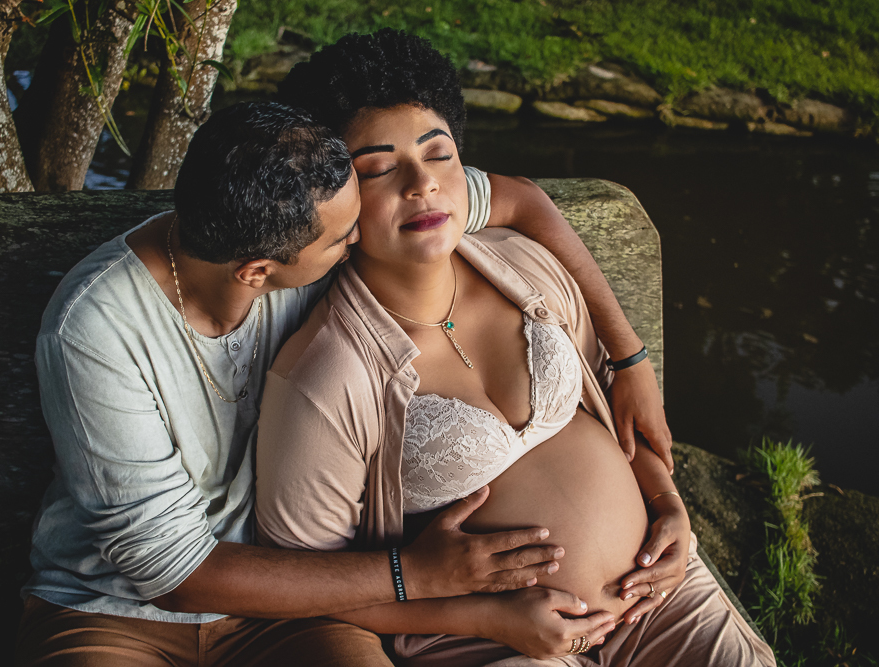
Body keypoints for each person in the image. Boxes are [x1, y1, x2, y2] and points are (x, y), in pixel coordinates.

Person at [15, 99, 655, 665]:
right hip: (112, 610)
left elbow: (518, 199)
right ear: (258, 273)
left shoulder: (300, 205)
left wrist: (628, 359)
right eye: (345, 240)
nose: (362, 237)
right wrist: (415, 576)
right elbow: (173, 575)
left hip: (298, 609)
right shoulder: (95, 329)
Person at [256, 29, 776, 665]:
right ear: (334, 199)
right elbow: (301, 583)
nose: (422, 184)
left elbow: (607, 409)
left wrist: (669, 506)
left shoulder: (524, 267)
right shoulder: (326, 377)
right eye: (380, 169)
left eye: (438, 154)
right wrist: (486, 618)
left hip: (657, 589)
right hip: (488, 639)